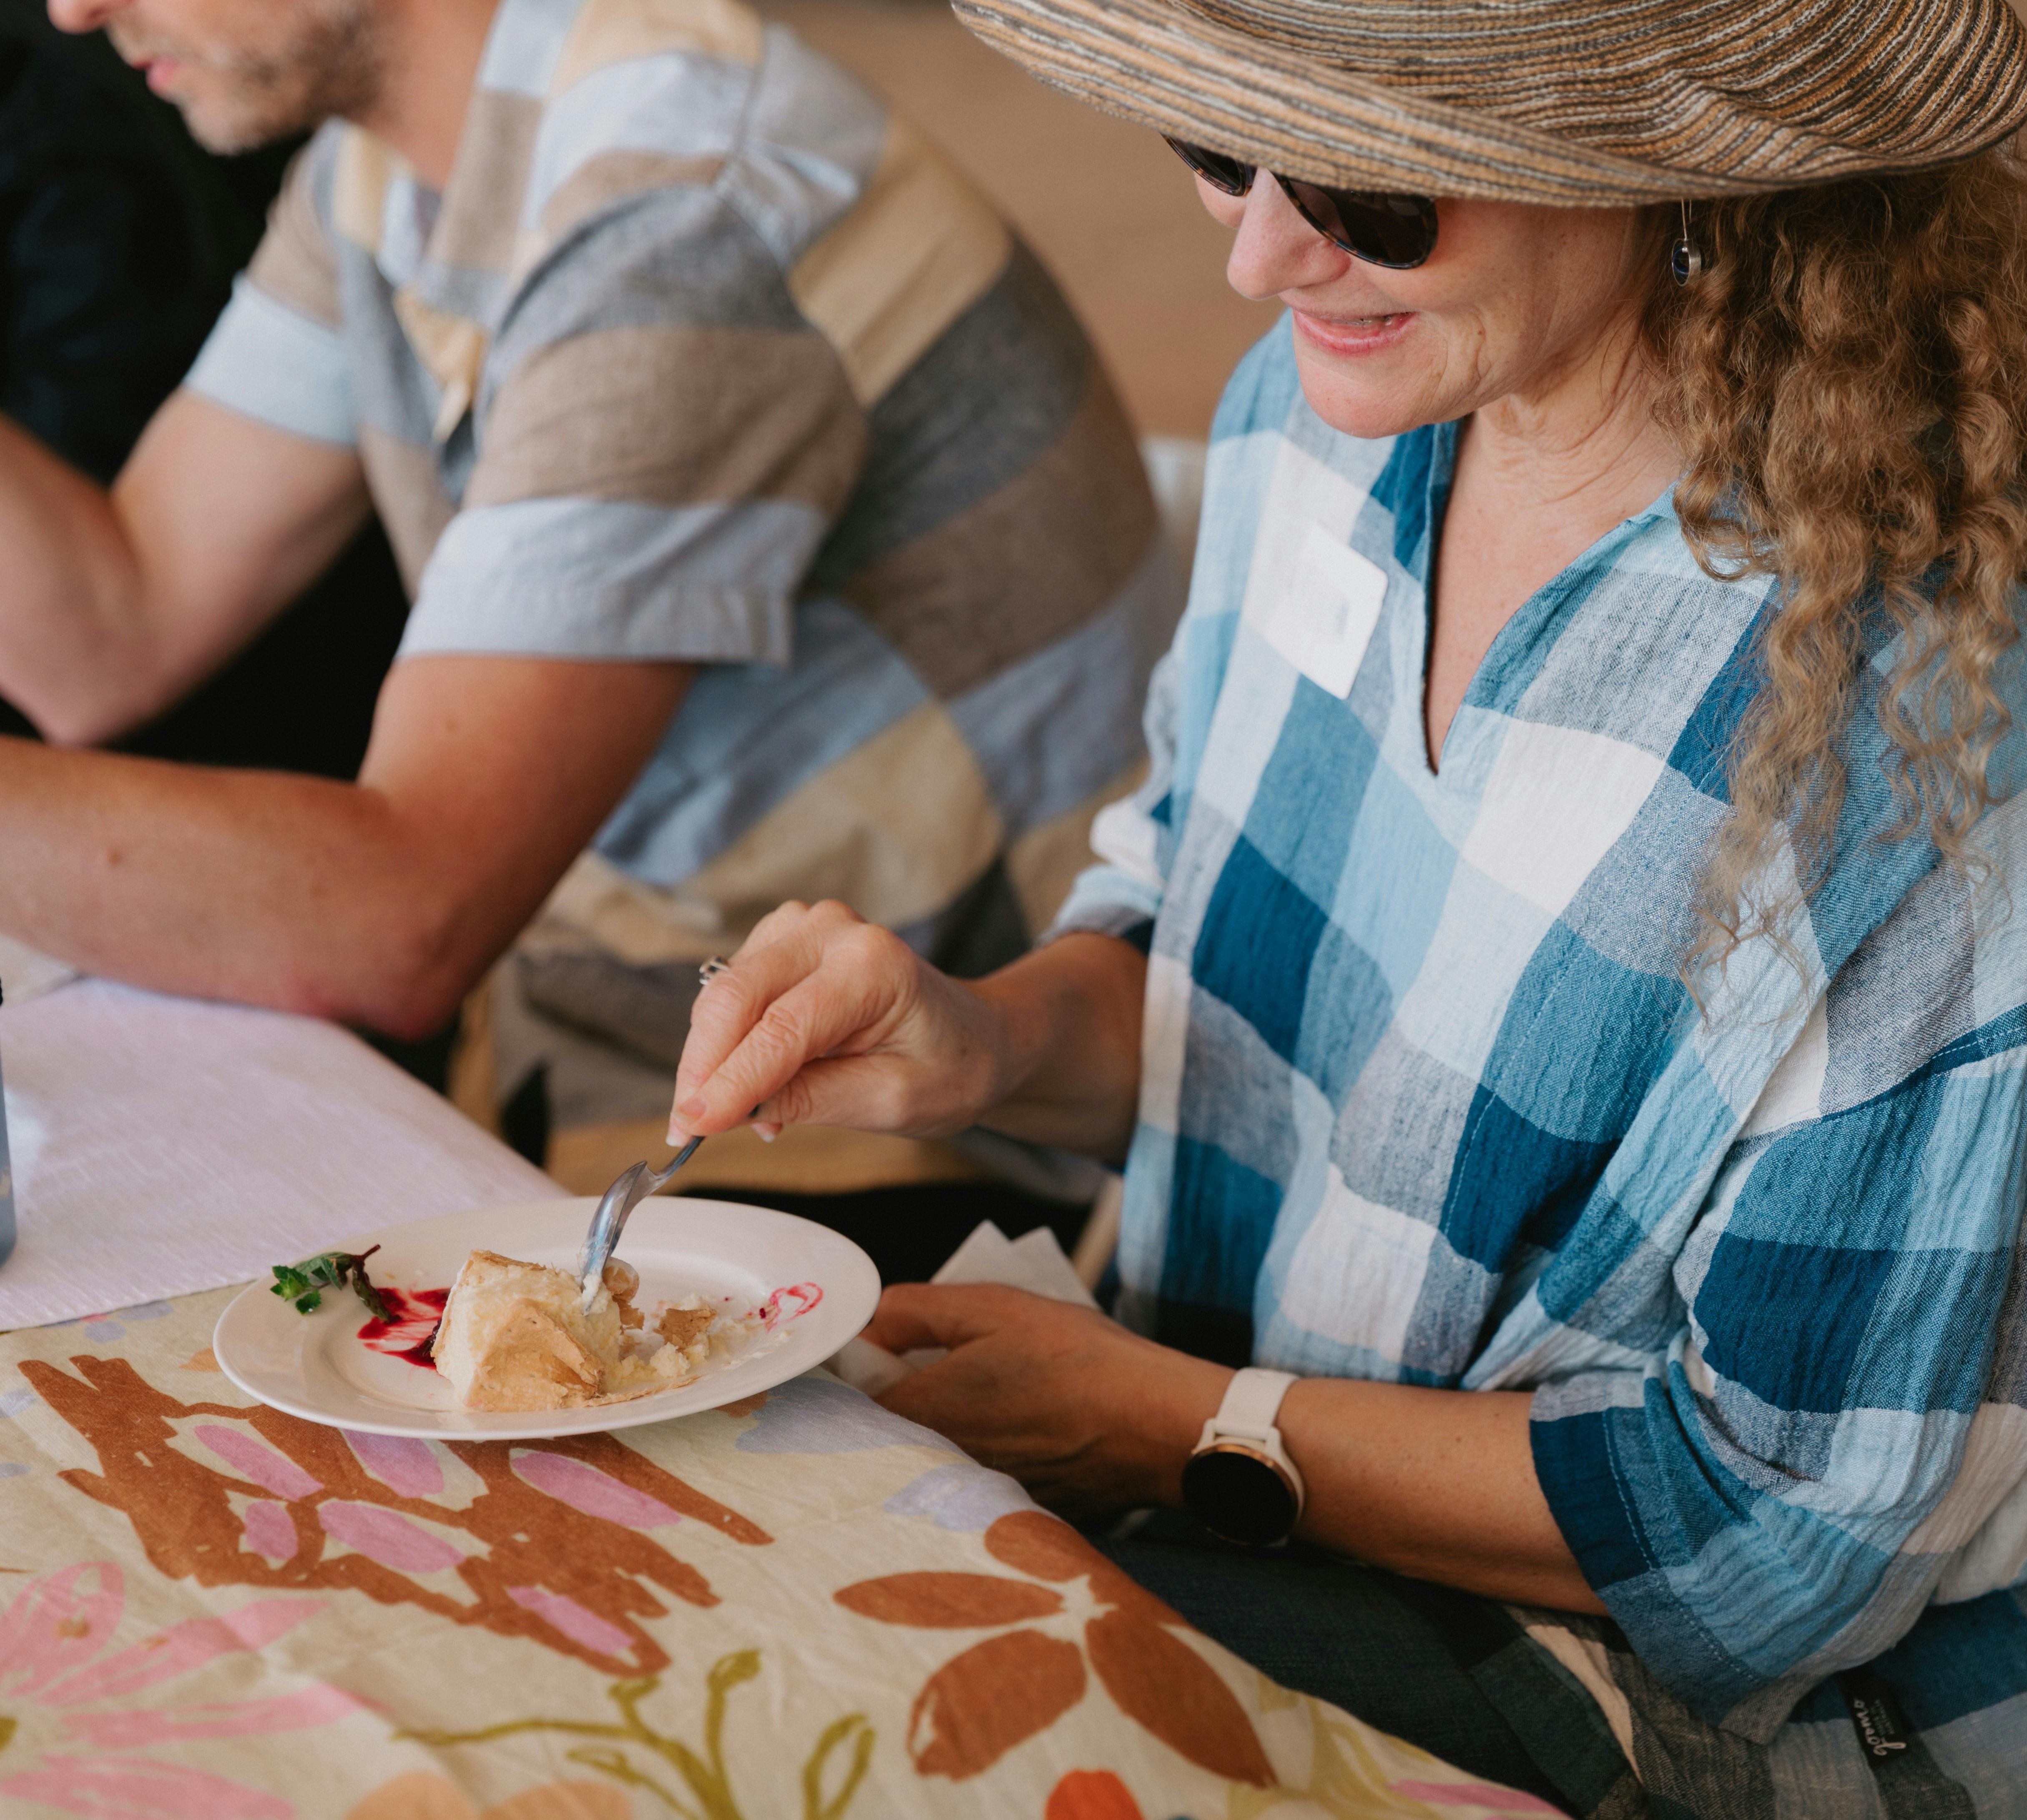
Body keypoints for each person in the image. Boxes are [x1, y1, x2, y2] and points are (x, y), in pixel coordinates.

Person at [667, 0, 2027, 1812]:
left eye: (1367, 184)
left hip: (1778, 1717)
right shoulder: (1316, 415)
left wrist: (1165, 1419)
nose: (1261, 249)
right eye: (1218, 146)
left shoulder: (1910, 754)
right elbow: (1225, 959)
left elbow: (1784, 1544)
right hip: (1267, 1480)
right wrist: (980, 1039)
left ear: (1660, 165)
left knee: (868, 1707)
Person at [0, 0, 1174, 1254]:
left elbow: (405, 916)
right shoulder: (386, 169)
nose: (73, 8)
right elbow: (110, 623)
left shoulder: (674, 204)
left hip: (883, 1155)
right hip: (591, 1080)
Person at [0, 8, 410, 793]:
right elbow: (110, 634)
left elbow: (428, 878)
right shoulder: (355, 181)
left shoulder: (647, 169)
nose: (75, 9)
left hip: (293, 775)